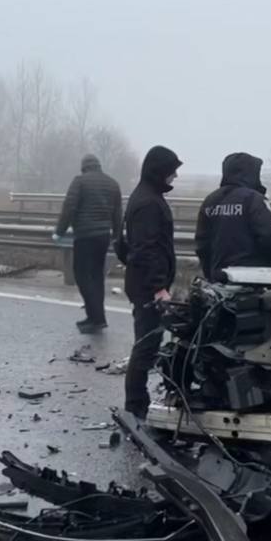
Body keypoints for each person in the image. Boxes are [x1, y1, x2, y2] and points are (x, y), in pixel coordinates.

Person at [117, 145, 182, 418]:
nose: (174, 177)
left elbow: (125, 244)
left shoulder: (145, 196)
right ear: (160, 171)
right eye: (172, 171)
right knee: (146, 345)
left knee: (149, 342)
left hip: (141, 280)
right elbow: (146, 248)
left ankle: (140, 402)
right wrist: (158, 287)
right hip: (147, 286)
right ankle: (135, 406)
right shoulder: (148, 203)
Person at [53, 154, 122, 334]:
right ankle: (94, 317)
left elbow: (69, 207)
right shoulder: (112, 183)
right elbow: (117, 214)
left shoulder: (80, 182)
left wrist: (59, 231)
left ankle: (96, 318)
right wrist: (117, 235)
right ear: (98, 166)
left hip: (85, 236)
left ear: (84, 167)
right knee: (97, 277)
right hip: (103, 237)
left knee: (82, 276)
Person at [195, 152, 271, 280]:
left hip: (218, 278)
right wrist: (269, 264)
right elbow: (270, 239)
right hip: (252, 280)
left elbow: (202, 244)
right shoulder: (255, 200)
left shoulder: (210, 201)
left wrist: (211, 273)